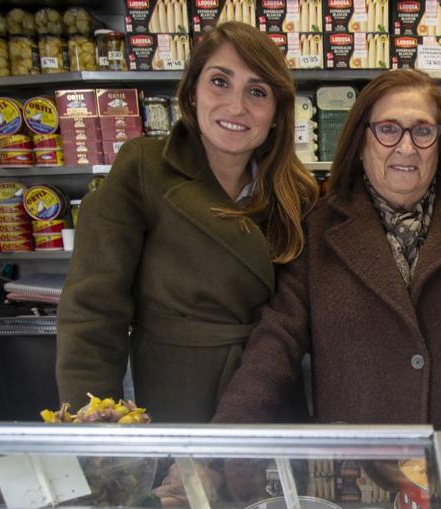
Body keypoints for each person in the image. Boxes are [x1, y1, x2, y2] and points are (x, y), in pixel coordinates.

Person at [211, 69, 441, 432]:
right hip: (362, 471)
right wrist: (224, 440)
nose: (406, 148)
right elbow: (277, 341)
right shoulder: (318, 231)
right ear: (361, 142)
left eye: (422, 131)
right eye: (388, 129)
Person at [56, 22, 318, 422]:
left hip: (269, 395)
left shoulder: (296, 192)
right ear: (191, 93)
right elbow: (93, 309)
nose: (236, 107)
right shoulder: (143, 168)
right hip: (177, 396)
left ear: (278, 114)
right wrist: (95, 424)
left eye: (257, 92)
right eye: (219, 82)